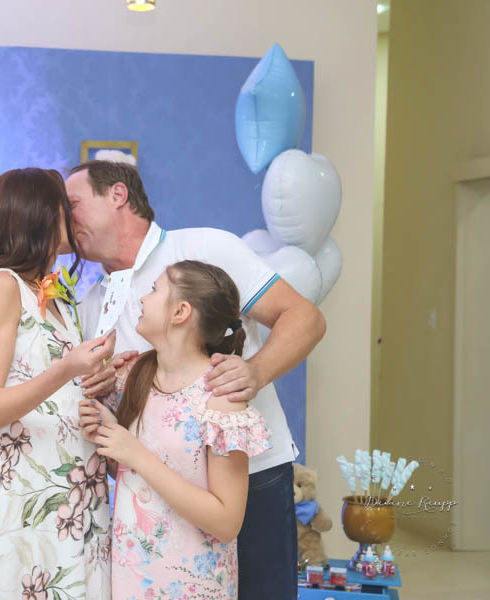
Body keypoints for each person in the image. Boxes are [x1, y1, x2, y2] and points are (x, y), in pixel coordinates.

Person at [67, 160, 326, 599]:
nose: (66, 219)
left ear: (117, 195)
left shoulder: (205, 247)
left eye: (73, 204)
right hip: (156, 511)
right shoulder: (91, 303)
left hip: (249, 479)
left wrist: (255, 371)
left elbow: (305, 317)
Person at [0, 168, 115, 599]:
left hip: (68, 495)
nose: (73, 217)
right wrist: (67, 369)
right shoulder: (4, 285)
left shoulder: (57, 294)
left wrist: (101, 377)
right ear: (38, 214)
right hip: (15, 493)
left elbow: (54, 383)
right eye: (64, 207)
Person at [79, 260, 271, 598]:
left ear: (180, 312)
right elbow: (132, 476)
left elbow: (226, 522)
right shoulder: (133, 376)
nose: (142, 298)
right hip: (131, 581)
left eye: (154, 290)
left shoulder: (220, 400)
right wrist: (106, 433)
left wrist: (136, 454)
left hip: (192, 586)